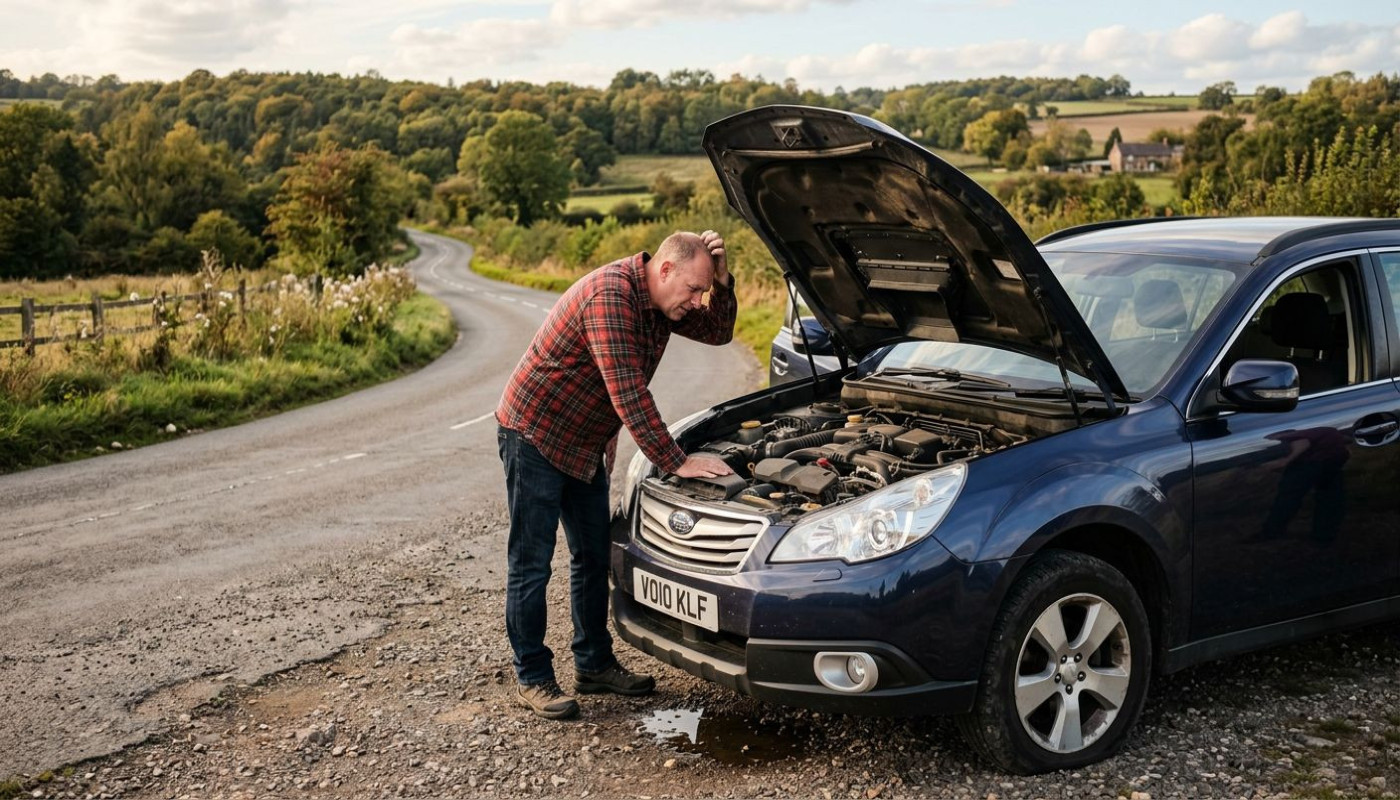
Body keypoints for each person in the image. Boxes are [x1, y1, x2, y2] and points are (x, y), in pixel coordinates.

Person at [495, 230, 737, 719]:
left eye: (702, 292)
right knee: (532, 563)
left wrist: (724, 283)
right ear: (664, 269)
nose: (696, 302)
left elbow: (719, 332)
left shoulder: (665, 302)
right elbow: (628, 393)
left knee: (592, 556)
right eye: (694, 289)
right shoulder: (610, 296)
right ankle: (534, 677)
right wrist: (676, 461)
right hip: (535, 435)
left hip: (583, 443)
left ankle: (593, 665)